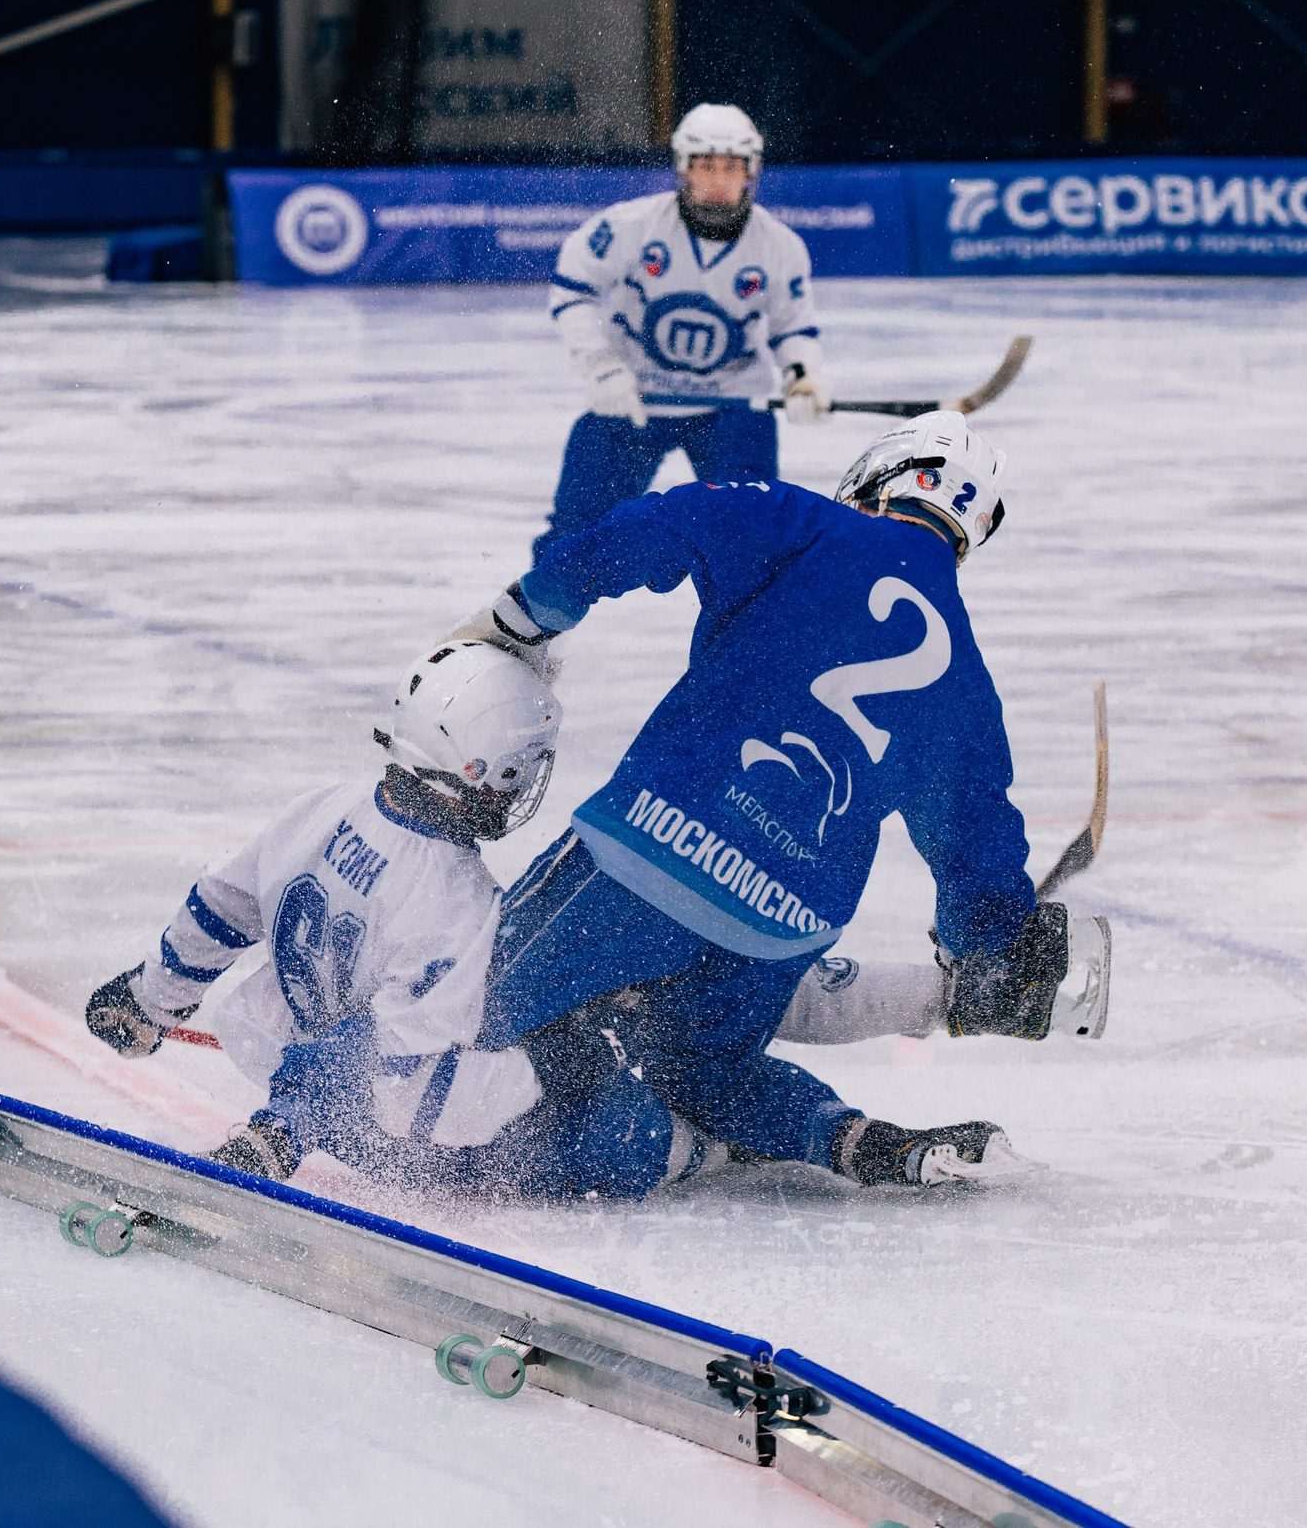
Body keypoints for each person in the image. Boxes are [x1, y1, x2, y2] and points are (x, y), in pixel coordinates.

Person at [445, 411, 1112, 1187]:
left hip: (658, 843)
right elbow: (979, 851)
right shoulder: (965, 677)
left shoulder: (804, 522)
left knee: (476, 1006)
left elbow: (657, 523)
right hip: (780, 923)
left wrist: (526, 614)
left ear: (881, 477)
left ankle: (375, 1136)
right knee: (705, 1071)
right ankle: (857, 1139)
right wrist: (991, 946)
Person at [81, 641, 706, 1199]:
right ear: (485, 771)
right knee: (625, 1125)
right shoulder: (455, 901)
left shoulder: (331, 804)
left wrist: (152, 1000)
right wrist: (545, 1063)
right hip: (393, 1139)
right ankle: (716, 1148)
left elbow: (223, 901)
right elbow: (402, 1082)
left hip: (292, 1065)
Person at [536, 103, 827, 564]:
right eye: (705, 166)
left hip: (732, 407)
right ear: (683, 169)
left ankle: (751, 636)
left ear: (750, 173)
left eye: (730, 167)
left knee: (753, 542)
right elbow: (573, 289)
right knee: (576, 533)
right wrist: (602, 367)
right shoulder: (630, 226)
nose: (716, 180)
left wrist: (801, 376)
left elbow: (792, 325)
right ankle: (532, 628)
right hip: (634, 401)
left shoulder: (781, 247)